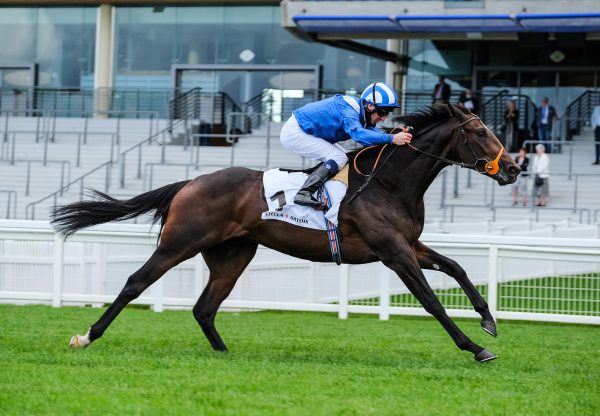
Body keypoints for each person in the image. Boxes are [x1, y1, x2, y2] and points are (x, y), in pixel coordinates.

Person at [280, 82, 413, 209]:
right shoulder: (348, 109)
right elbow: (359, 135)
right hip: (295, 132)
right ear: (370, 106)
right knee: (339, 157)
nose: (384, 117)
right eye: (383, 111)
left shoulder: (360, 111)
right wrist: (392, 138)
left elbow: (371, 132)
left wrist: (396, 133)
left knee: (343, 158)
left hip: (306, 131)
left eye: (388, 113)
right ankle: (304, 193)